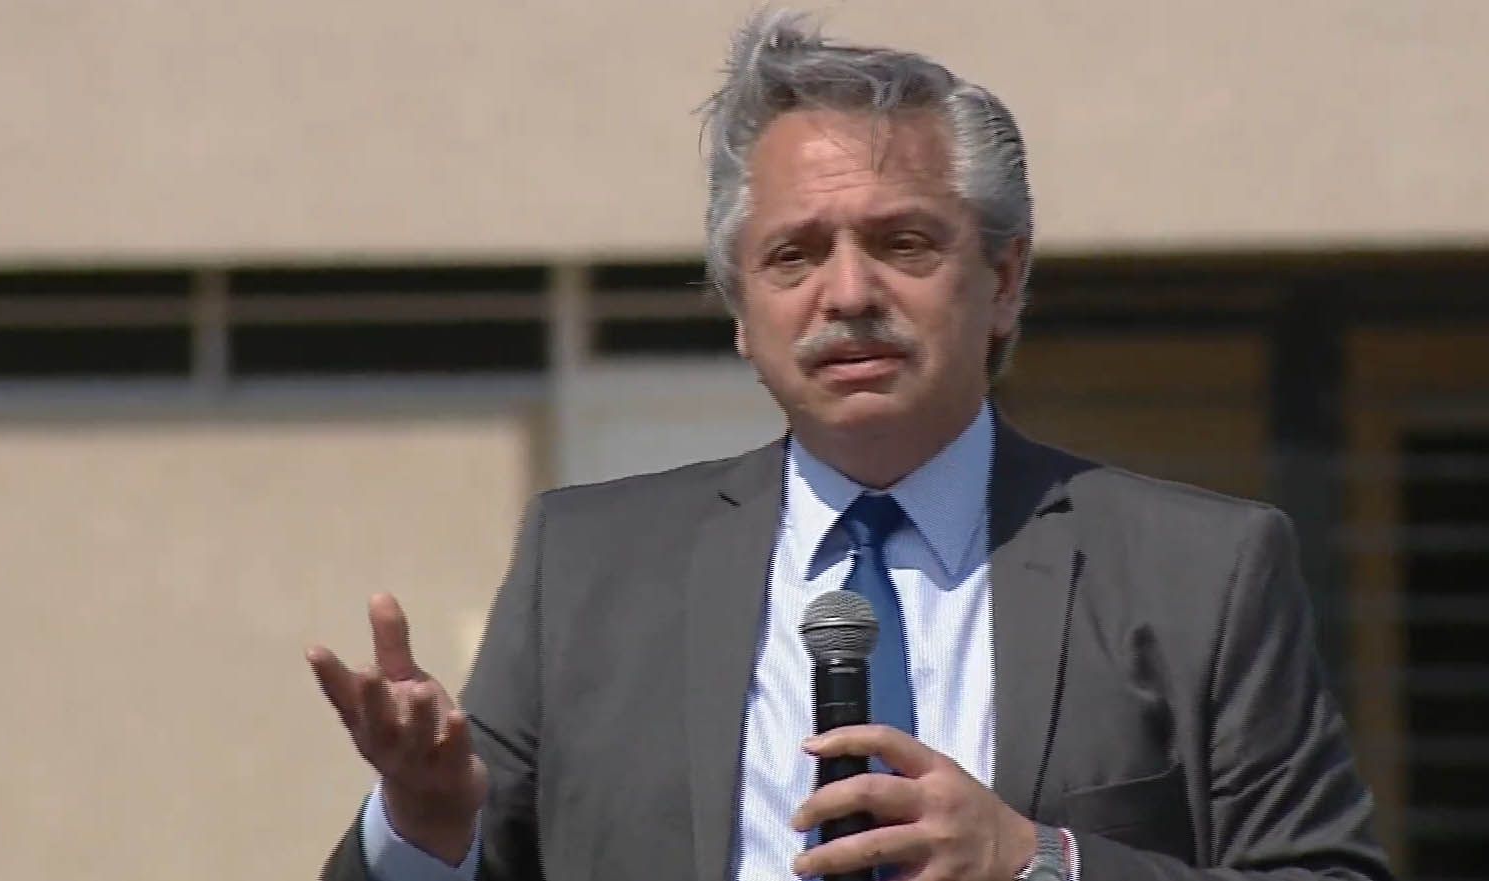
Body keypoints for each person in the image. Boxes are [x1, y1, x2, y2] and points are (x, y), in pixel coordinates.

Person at [308, 11, 1393, 881]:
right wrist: (424, 827)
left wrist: (1037, 860)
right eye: (793, 255)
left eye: (901, 241)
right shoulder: (586, 565)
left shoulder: (1198, 569)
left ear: (1003, 278)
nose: (848, 293)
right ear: (742, 312)